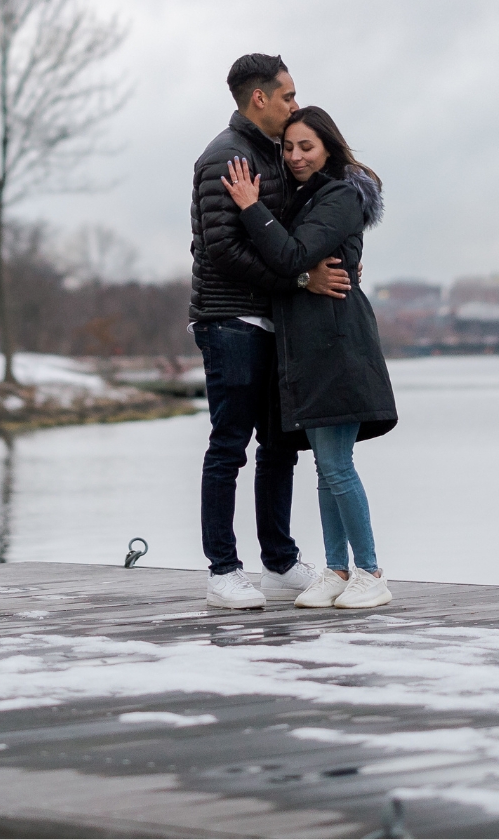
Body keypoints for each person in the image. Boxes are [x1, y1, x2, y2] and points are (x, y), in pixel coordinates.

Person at [190, 55, 353, 610]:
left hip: (275, 320)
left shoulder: (274, 155)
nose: (294, 103)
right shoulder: (225, 157)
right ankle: (222, 571)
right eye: (287, 95)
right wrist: (299, 279)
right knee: (229, 445)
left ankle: (279, 562)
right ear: (259, 98)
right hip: (230, 319)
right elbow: (223, 251)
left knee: (280, 446)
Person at [221, 106, 398, 609]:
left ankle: (371, 571)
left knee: (337, 465)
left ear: (329, 149)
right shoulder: (308, 197)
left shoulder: (340, 194)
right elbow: (297, 263)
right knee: (326, 466)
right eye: (290, 147)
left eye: (307, 147)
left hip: (338, 343)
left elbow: (294, 256)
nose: (296, 157)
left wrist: (253, 208)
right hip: (308, 345)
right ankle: (337, 569)